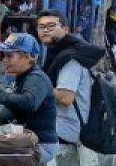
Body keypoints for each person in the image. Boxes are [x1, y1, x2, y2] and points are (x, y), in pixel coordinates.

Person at [0, 33, 59, 162]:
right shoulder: (23, 77)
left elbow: (29, 102)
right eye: (5, 56)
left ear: (27, 58)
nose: (5, 60)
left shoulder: (36, 78)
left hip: (39, 146)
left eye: (10, 56)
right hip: (25, 143)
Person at [37, 10, 103, 146]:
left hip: (66, 128)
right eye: (42, 27)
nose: (46, 30)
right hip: (57, 123)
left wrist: (35, 87)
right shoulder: (56, 54)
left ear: (65, 29)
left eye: (51, 26)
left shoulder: (70, 59)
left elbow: (65, 97)